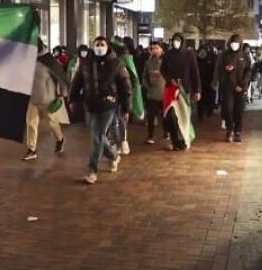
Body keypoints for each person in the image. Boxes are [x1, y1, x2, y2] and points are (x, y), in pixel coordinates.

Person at [69, 36, 132, 185]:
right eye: (97, 44)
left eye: (102, 44)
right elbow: (76, 82)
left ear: (108, 46)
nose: (99, 46)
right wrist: (72, 99)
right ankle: (113, 156)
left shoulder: (117, 64)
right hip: (90, 105)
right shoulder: (85, 63)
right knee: (99, 136)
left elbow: (126, 86)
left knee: (97, 136)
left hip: (108, 106)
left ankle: (92, 170)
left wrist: (126, 107)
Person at [22, 38, 68, 161]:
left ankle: (60, 139)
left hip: (48, 100)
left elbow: (62, 79)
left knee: (52, 124)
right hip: (33, 99)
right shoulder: (27, 60)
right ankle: (31, 149)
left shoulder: (49, 61)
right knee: (31, 124)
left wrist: (61, 95)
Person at [160, 32, 201, 151]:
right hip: (171, 89)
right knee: (169, 115)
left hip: (185, 89)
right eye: (174, 40)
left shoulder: (189, 54)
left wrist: (197, 90)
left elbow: (195, 73)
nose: (176, 42)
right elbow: (163, 70)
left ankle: (184, 139)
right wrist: (169, 79)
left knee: (183, 116)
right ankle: (174, 141)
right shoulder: (167, 54)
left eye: (178, 40)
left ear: (182, 41)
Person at [214, 34, 251, 142]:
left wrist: (243, 84)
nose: (234, 45)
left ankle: (237, 132)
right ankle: (229, 129)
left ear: (240, 44)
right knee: (228, 109)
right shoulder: (224, 55)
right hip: (227, 87)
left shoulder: (244, 56)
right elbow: (218, 68)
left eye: (236, 43)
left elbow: (248, 71)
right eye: (232, 43)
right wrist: (223, 72)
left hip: (240, 87)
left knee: (239, 110)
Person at [142, 41, 166, 144]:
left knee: (166, 115)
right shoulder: (148, 62)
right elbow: (144, 76)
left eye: (157, 48)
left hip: (164, 93)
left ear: (162, 50)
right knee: (151, 116)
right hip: (152, 93)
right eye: (153, 48)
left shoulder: (166, 61)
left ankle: (167, 133)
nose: (154, 50)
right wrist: (148, 86)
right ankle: (150, 135)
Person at [196, 45, 217, 121]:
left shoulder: (210, 60)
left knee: (210, 97)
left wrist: (214, 81)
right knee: (200, 100)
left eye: (203, 52)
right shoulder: (196, 60)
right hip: (199, 83)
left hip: (209, 82)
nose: (202, 53)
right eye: (200, 52)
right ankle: (200, 114)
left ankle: (209, 111)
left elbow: (214, 71)